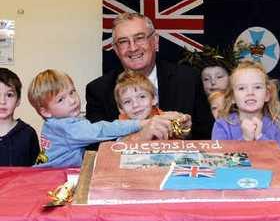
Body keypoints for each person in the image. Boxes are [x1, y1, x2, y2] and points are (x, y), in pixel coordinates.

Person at [85, 12, 211, 144]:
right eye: (123, 42)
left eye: (139, 38)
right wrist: (137, 138)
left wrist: (184, 130)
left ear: (155, 41)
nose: (133, 47)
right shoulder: (98, 90)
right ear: (116, 50)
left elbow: (208, 135)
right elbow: (93, 146)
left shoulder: (189, 79)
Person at [28, 69, 175, 168]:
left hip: (43, 170)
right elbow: (101, 130)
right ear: (45, 111)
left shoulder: (53, 124)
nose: (72, 100)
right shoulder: (69, 127)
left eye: (72, 92)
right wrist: (141, 123)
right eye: (61, 99)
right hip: (53, 175)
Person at [212, 60, 280, 150]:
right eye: (242, 88)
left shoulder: (278, 124)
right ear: (232, 98)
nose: (250, 93)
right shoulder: (222, 125)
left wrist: (260, 137)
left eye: (257, 87)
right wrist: (245, 140)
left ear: (267, 95)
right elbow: (220, 159)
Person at [114, 70, 191, 139]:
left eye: (142, 96)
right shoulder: (121, 126)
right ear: (121, 109)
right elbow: (120, 144)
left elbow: (180, 135)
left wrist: (183, 127)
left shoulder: (164, 117)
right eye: (127, 101)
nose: (135, 105)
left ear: (154, 99)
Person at [0, 68, 39, 166]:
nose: (2, 101)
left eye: (9, 95)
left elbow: (37, 171)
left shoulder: (28, 133)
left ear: (18, 100)